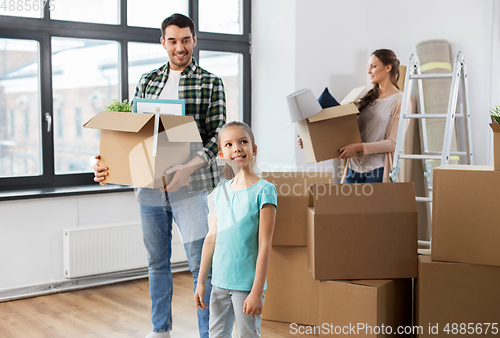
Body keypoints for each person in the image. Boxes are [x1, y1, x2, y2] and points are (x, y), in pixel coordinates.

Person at [93, 13, 226, 338]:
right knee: (157, 263)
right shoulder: (148, 80)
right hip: (150, 190)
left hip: (191, 189)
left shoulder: (210, 82)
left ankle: (206, 333)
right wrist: (106, 160)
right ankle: (160, 330)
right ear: (162, 42)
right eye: (172, 40)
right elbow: (134, 133)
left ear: (194, 40)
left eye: (185, 40)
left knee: (200, 267)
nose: (179, 47)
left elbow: (219, 135)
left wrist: (188, 167)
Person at [193, 121, 277, 338]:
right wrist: (202, 281)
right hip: (219, 281)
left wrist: (256, 291)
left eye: (243, 142)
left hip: (246, 285)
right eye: (229, 144)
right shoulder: (221, 191)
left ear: (254, 149)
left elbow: (265, 244)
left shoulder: (265, 191)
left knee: (248, 334)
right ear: (221, 153)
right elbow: (211, 238)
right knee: (216, 335)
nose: (237, 148)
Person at [338, 49, 402, 183]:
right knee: (347, 204)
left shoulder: (399, 101)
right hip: (354, 168)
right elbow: (348, 130)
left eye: (373, 66)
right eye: (369, 67)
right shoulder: (367, 98)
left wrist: (358, 147)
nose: (369, 72)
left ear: (388, 67)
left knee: (370, 205)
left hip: (376, 169)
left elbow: (393, 143)